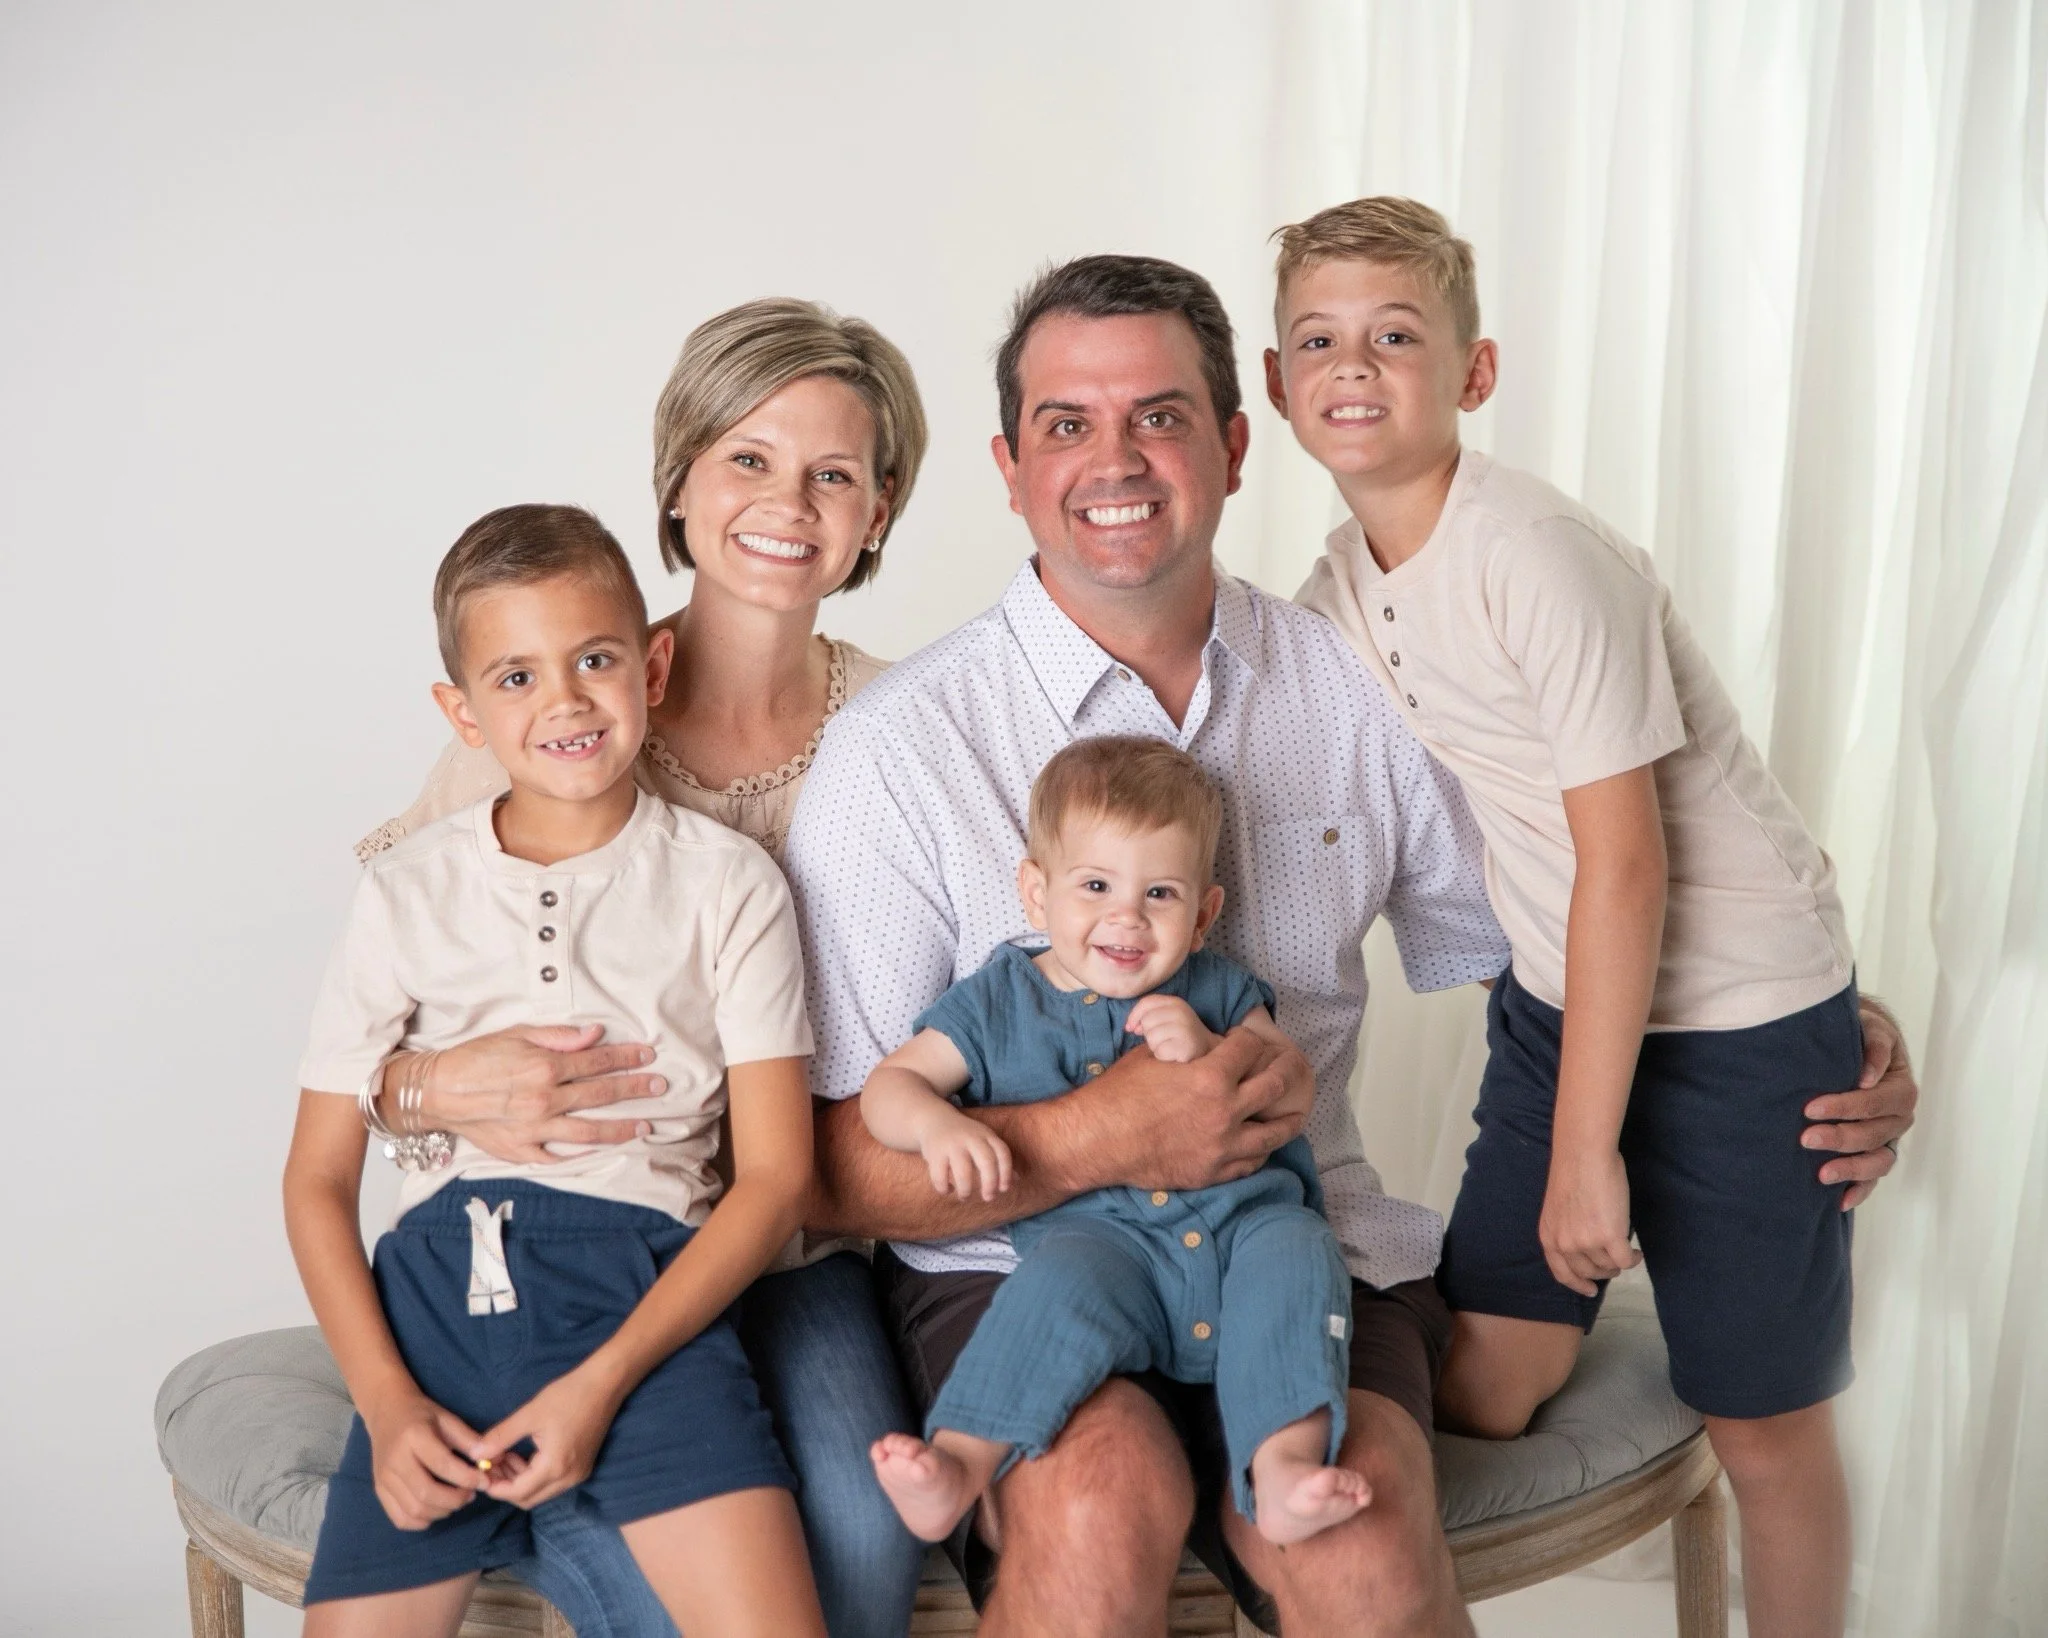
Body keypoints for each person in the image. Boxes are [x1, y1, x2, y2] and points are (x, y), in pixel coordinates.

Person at [781, 252, 1920, 1638]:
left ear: (1235, 444)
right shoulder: (897, 749)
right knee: (1094, 1505)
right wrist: (1103, 1136)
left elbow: (1558, 929)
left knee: (1359, 1535)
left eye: (1159, 415)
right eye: (1067, 424)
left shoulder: (1354, 679)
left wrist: (1788, 1028)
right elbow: (822, 1168)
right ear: (1010, 467)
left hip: (1301, 1244)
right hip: (1021, 1271)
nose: (1115, 458)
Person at [1278, 196, 1864, 1638]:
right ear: (1279, 386)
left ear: (1473, 374)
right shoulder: (1338, 587)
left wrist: (1590, 1153)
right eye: (1317, 340)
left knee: (1761, 1419)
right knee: (1482, 1388)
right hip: (1558, 998)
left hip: (1734, 1013)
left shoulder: (1535, 551)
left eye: (1394, 336)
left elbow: (1628, 864)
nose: (1352, 365)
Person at [352, 299, 930, 1638]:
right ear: (677, 482)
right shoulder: (559, 703)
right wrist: (431, 1086)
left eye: (833, 473)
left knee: (860, 1535)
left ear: (879, 512)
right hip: (563, 1246)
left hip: (791, 1250)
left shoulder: (910, 731)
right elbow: (366, 1047)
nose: (787, 503)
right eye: (747, 458)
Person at [285, 505, 826, 1637]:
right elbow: (316, 1180)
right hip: (434, 1312)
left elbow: (777, 1180)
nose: (566, 701)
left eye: (594, 660)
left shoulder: (728, 885)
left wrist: (604, 1380)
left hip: (648, 1309)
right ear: (463, 713)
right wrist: (387, 1406)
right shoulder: (405, 889)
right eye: (517, 677)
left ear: (653, 667)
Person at [864, 736, 1366, 1549]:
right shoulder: (999, 1001)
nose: (1127, 916)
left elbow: (1290, 1082)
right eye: (1095, 885)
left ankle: (1283, 1469)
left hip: (1246, 1229)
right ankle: (959, 1463)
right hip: (1102, 1244)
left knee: (1302, 1255)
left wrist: (1212, 1049)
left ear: (1203, 915)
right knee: (1048, 1293)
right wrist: (935, 1123)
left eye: (1160, 893)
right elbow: (890, 1086)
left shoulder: (1217, 990)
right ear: (1037, 893)